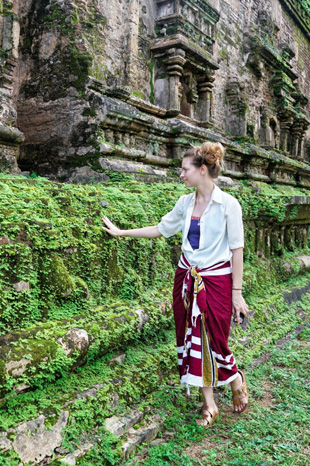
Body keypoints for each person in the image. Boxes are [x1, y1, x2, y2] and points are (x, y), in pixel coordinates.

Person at [102, 142, 250, 428]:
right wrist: (122, 233)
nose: (181, 175)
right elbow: (161, 229)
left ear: (202, 170)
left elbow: (237, 250)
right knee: (194, 339)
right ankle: (209, 405)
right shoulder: (184, 203)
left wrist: (237, 294)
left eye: (185, 169)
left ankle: (235, 378)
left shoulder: (229, 205)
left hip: (217, 282)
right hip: (186, 279)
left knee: (216, 340)